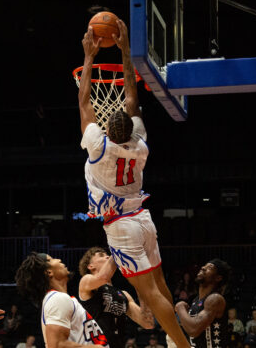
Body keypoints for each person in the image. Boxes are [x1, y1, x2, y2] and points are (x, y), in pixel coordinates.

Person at [78, 21, 190, 348]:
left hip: (122, 227)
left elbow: (85, 102)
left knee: (150, 293)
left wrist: (89, 57)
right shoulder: (139, 145)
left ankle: (182, 347)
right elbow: (132, 99)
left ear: (107, 131)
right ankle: (177, 344)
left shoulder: (99, 147)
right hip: (142, 218)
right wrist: (127, 51)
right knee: (159, 284)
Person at [15, 252, 108, 348]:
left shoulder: (58, 299)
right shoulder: (56, 298)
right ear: (49, 272)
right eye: (51, 259)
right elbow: (57, 345)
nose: (58, 260)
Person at [78, 247, 154, 348]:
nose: (108, 257)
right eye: (101, 255)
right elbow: (103, 277)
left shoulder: (124, 295)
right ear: (90, 266)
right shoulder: (86, 281)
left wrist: (139, 285)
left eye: (108, 255)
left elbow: (147, 323)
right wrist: (119, 248)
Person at [175, 259, 231, 348]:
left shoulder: (215, 299)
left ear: (218, 278)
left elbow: (193, 330)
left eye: (210, 267)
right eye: (204, 265)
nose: (203, 268)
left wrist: (180, 308)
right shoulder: (195, 301)